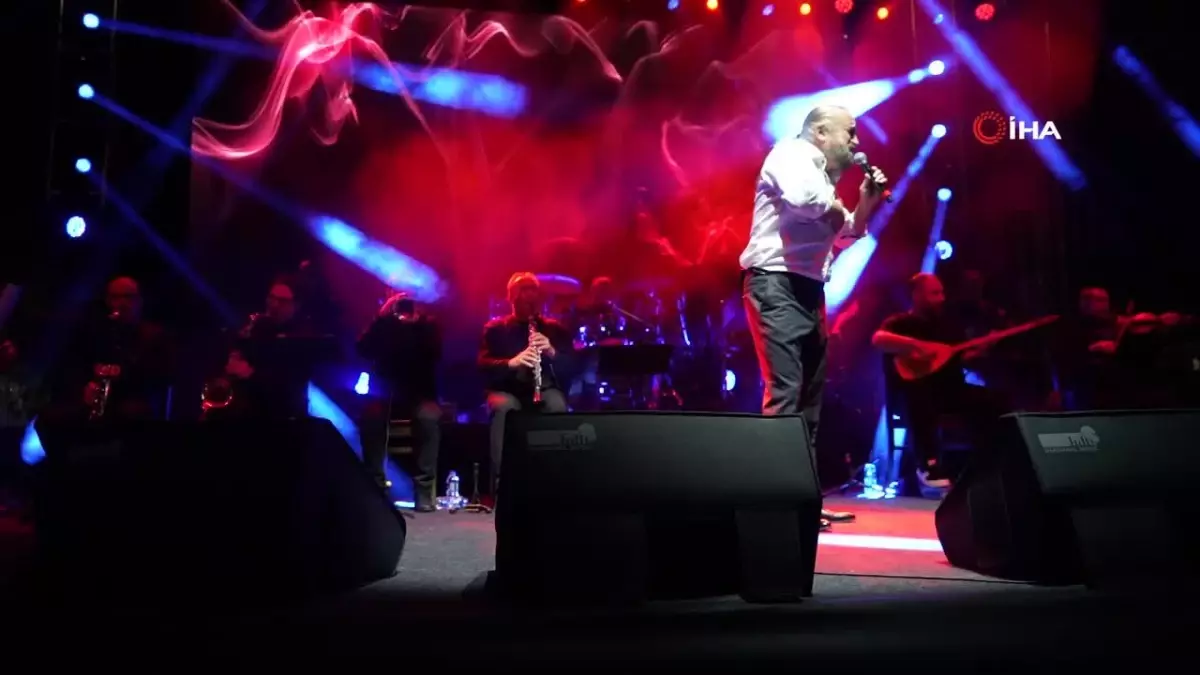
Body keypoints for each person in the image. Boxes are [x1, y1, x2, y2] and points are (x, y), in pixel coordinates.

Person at [739, 105, 887, 527]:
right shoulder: (790, 155)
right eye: (850, 133)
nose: (856, 142)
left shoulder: (822, 177)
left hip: (808, 288)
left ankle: (804, 500)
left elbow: (846, 235)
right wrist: (839, 200)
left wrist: (866, 202)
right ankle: (777, 502)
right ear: (821, 133)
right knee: (786, 393)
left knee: (810, 401)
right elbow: (806, 204)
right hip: (775, 283)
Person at [871, 273, 1008, 496]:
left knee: (995, 400)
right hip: (913, 394)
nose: (941, 298)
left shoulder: (948, 326)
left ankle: (991, 464)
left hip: (950, 391)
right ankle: (928, 466)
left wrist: (983, 349)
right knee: (920, 398)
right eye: (934, 293)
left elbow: (959, 357)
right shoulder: (901, 322)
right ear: (916, 295)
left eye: (942, 292)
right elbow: (878, 339)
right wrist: (918, 346)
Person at [478, 273, 574, 491]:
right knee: (503, 407)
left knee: (556, 404)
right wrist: (511, 363)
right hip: (506, 389)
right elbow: (483, 366)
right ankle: (501, 487)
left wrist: (551, 351)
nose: (529, 295)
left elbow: (573, 367)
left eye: (533, 290)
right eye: (523, 290)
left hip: (543, 387)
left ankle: (555, 483)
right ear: (511, 297)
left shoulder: (555, 329)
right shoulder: (495, 329)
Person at [356, 291, 442, 511]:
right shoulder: (383, 323)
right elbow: (362, 349)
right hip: (383, 391)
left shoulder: (428, 325)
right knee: (372, 417)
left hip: (419, 391)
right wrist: (382, 318)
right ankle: (375, 489)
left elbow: (434, 354)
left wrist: (417, 324)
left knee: (428, 419)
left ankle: (424, 492)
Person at [47, 277, 173, 422]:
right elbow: (76, 367)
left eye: (128, 297)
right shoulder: (97, 333)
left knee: (130, 414)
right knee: (53, 416)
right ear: (107, 301)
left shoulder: (153, 336)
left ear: (139, 301)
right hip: (98, 402)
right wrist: (84, 388)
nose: (122, 303)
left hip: (133, 402)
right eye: (115, 297)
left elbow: (158, 379)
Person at [213, 276, 329, 420]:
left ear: (296, 305)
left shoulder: (302, 337)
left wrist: (248, 373)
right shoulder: (258, 327)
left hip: (281, 417)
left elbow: (288, 386)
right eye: (271, 297)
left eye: (282, 301)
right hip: (247, 411)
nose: (273, 304)